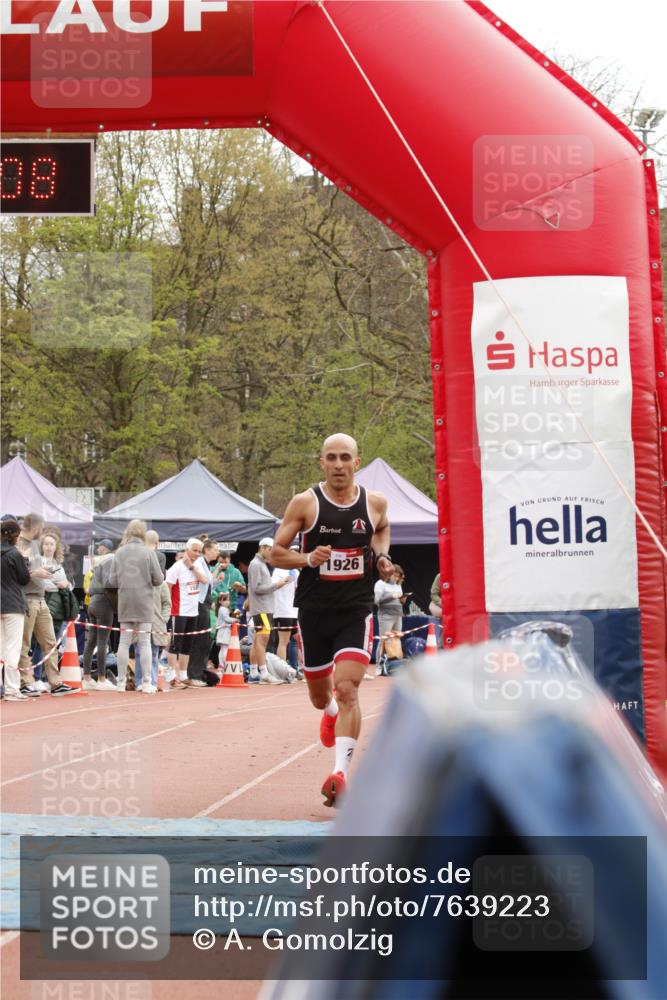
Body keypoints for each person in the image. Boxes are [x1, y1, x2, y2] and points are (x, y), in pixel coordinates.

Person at [271, 433, 393, 807]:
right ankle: (328, 712)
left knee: (349, 688)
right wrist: (308, 559)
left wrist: (383, 558)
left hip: (355, 608)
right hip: (314, 610)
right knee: (321, 695)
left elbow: (382, 529)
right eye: (331, 458)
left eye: (345, 458)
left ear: (358, 461)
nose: (338, 464)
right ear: (321, 462)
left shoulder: (374, 503)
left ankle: (340, 772)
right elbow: (276, 552)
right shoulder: (305, 503)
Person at [16, 513, 75, 696]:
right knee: (25, 644)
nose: (41, 532)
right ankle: (26, 682)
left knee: (50, 642)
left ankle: (55, 683)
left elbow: (31, 570)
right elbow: (18, 573)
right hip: (27, 598)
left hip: (40, 599)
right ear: (35, 527)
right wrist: (36, 572)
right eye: (40, 528)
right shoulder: (18, 545)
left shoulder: (33, 546)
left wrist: (41, 572)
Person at [108, 519, 164, 691]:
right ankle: (147, 682)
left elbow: (111, 580)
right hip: (144, 602)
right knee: (145, 642)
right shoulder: (148, 553)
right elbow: (158, 579)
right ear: (143, 533)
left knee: (124, 642)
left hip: (125, 601)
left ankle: (121, 682)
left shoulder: (119, 553)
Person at [246, 537, 288, 684]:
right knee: (262, 641)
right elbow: (256, 588)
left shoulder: (260, 564)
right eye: (270, 550)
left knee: (258, 640)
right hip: (262, 608)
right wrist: (276, 585)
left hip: (263, 608)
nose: (271, 553)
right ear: (263, 548)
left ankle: (253, 672)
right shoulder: (256, 564)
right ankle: (263, 672)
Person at [165, 538, 205, 688]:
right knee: (175, 644)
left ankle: (183, 674)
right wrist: (167, 608)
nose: (197, 554)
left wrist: (192, 567)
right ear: (187, 550)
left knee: (188, 645)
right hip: (178, 611)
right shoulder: (176, 567)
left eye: (199, 551)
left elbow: (205, 580)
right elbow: (167, 587)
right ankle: (171, 675)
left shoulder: (196, 566)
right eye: (194, 550)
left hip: (193, 611)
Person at [1, 517, 32, 701]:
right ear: (14, 536)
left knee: (0, 648)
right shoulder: (15, 554)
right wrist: (25, 560)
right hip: (13, 605)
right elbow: (24, 579)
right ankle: (12, 689)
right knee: (12, 648)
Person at [81, 541, 117, 690]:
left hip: (92, 602)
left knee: (91, 641)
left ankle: (87, 677)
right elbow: (111, 584)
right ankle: (102, 679)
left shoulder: (96, 565)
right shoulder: (111, 562)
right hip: (103, 602)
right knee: (103, 641)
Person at [185, 538, 219, 687]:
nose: (218, 552)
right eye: (215, 549)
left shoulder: (206, 564)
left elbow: (209, 582)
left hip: (204, 603)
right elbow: (203, 581)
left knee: (205, 641)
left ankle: (199, 672)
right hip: (198, 604)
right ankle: (194, 675)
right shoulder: (199, 563)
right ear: (207, 550)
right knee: (200, 640)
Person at [41, 531, 79, 645]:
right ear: (41, 546)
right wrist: (58, 586)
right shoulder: (37, 561)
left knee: (54, 642)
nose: (49, 547)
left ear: (56, 547)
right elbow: (42, 584)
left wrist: (66, 583)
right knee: (42, 641)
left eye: (52, 544)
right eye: (46, 544)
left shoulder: (60, 564)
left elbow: (71, 585)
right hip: (44, 605)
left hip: (60, 608)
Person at [374, 563, 407, 676]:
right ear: (388, 574)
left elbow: (399, 602)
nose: (396, 578)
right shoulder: (380, 584)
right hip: (385, 616)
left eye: (398, 576)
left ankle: (394, 665)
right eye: (394, 575)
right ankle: (378, 665)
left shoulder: (398, 586)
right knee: (383, 640)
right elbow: (376, 601)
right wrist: (391, 596)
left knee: (396, 640)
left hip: (398, 615)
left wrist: (402, 600)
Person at [271, 545, 300, 663]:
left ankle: (293, 668)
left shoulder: (296, 571)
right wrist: (284, 581)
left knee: (296, 640)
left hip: (295, 610)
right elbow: (272, 585)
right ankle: (281, 670)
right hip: (283, 610)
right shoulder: (279, 569)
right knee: (284, 641)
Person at [215, 591, 238, 667]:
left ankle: (221, 664)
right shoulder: (223, 609)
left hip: (221, 631)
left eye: (228, 600)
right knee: (225, 648)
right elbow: (226, 619)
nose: (228, 602)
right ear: (220, 601)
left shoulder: (221, 609)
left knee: (222, 648)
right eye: (225, 600)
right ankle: (225, 664)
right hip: (224, 631)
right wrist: (234, 620)